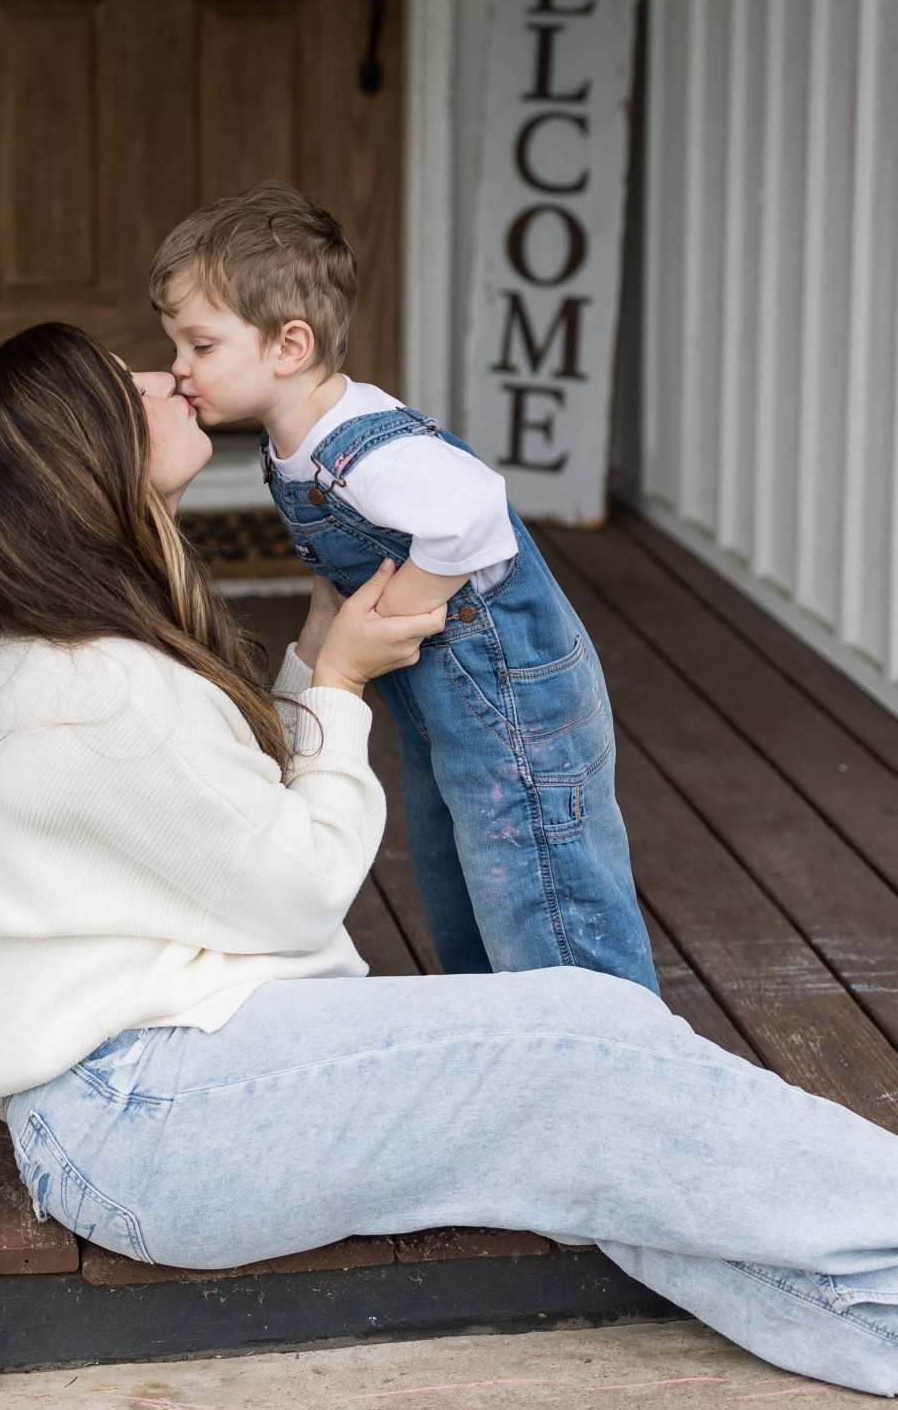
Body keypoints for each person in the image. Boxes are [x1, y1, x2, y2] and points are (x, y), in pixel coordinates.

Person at [0, 321, 898, 1398]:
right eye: (128, 385)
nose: (165, 378)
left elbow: (220, 835)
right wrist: (336, 687)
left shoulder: (65, 648)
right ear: (83, 454)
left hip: (152, 1091)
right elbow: (295, 890)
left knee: (591, 1139)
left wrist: (308, 663)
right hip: (146, 1112)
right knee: (583, 1042)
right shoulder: (90, 687)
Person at [149, 182, 658, 992]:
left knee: (544, 895)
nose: (178, 369)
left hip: (512, 701)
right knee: (468, 876)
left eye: (200, 346)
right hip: (442, 703)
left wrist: (398, 605)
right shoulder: (296, 440)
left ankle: (608, 1055)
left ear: (288, 346)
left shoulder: (362, 447)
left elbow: (475, 511)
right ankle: (507, 1035)